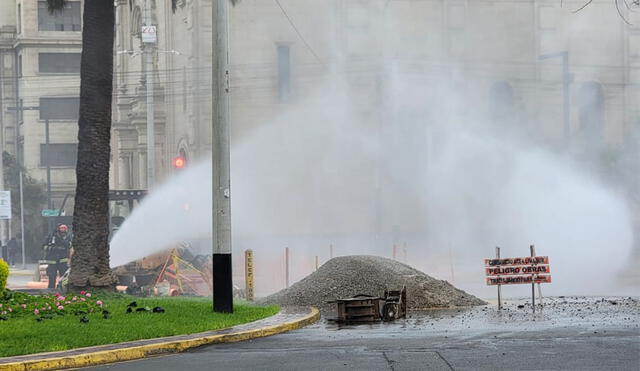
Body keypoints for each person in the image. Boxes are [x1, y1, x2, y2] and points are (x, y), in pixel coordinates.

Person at [43, 224, 72, 289]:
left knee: (64, 277)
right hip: (52, 260)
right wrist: (53, 248)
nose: (63, 229)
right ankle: (51, 290)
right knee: (52, 277)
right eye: (62, 228)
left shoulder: (68, 236)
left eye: (65, 228)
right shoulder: (51, 236)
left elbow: (70, 245)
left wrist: (64, 243)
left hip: (63, 261)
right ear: (58, 228)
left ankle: (63, 289)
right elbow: (44, 246)